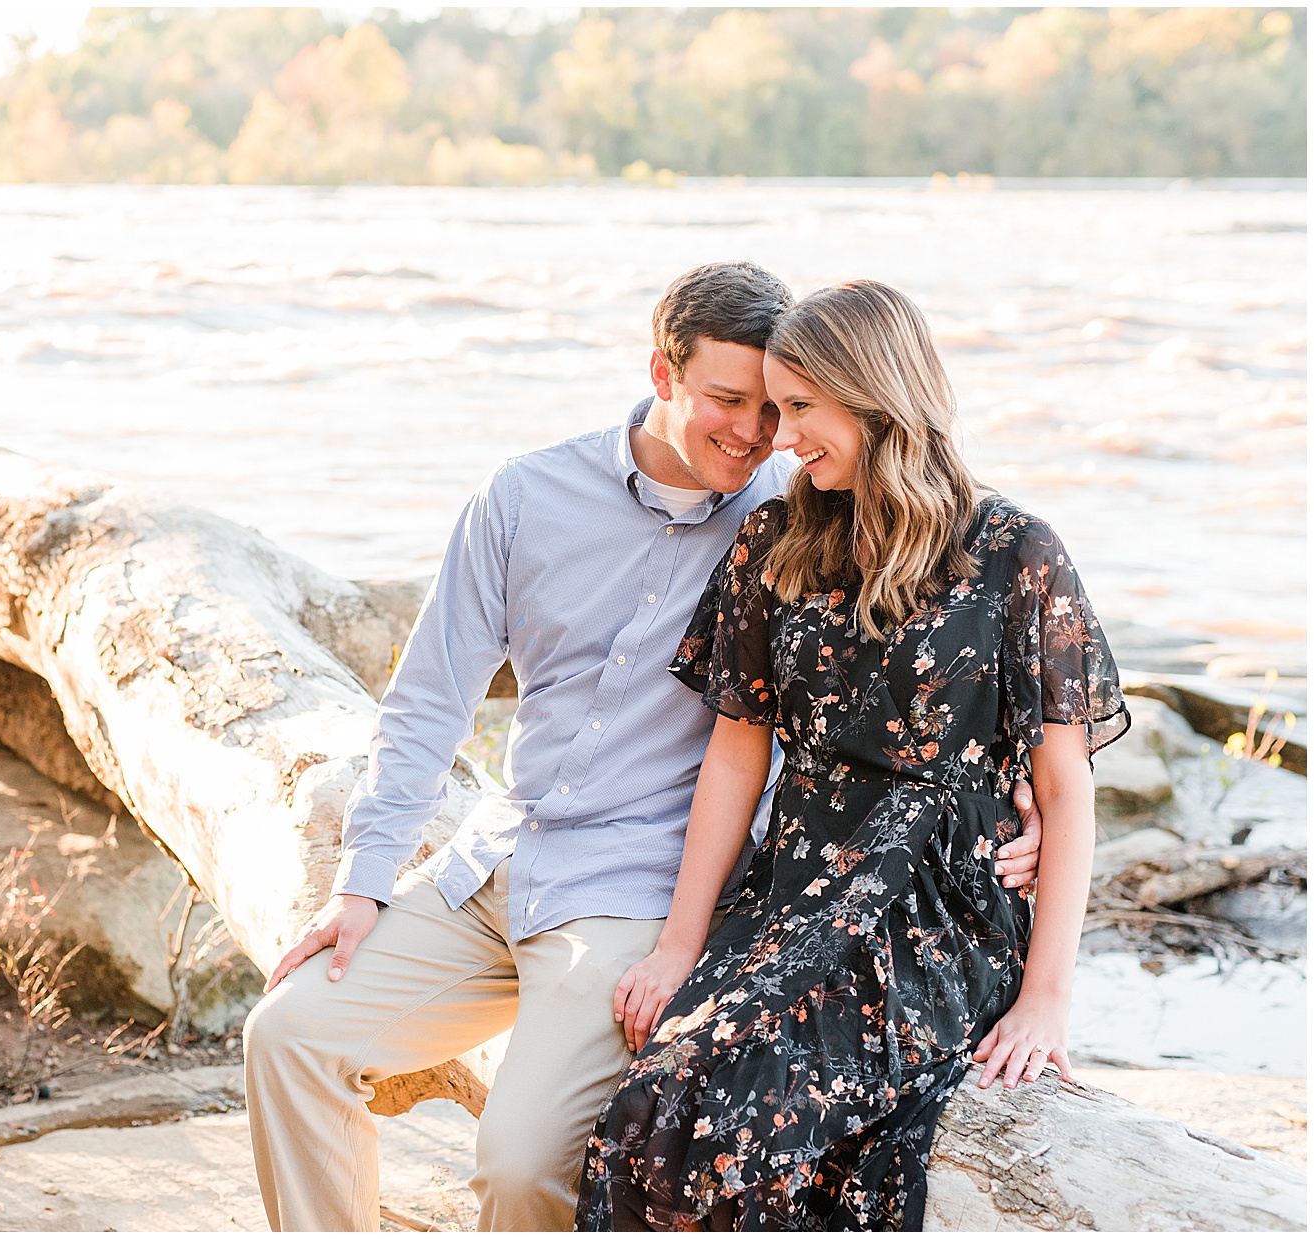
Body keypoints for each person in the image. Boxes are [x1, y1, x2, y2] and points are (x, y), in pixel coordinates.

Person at [242, 263, 1046, 1233]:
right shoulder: (525, 497)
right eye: (726, 400)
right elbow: (426, 702)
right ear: (661, 374)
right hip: (498, 859)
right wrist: (362, 881)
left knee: (520, 1158)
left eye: (774, 409)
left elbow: (950, 611)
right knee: (285, 1039)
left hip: (635, 893)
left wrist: (1021, 794)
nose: (754, 436)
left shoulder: (798, 517)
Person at [575, 280, 1128, 1232]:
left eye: (798, 409)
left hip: (940, 908)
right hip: (791, 888)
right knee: (654, 1110)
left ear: (874, 397)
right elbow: (735, 757)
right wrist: (678, 942)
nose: (779, 437)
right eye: (774, 408)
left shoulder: (1015, 551)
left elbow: (1064, 790)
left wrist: (1045, 1001)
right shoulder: (776, 538)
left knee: (748, 1127)